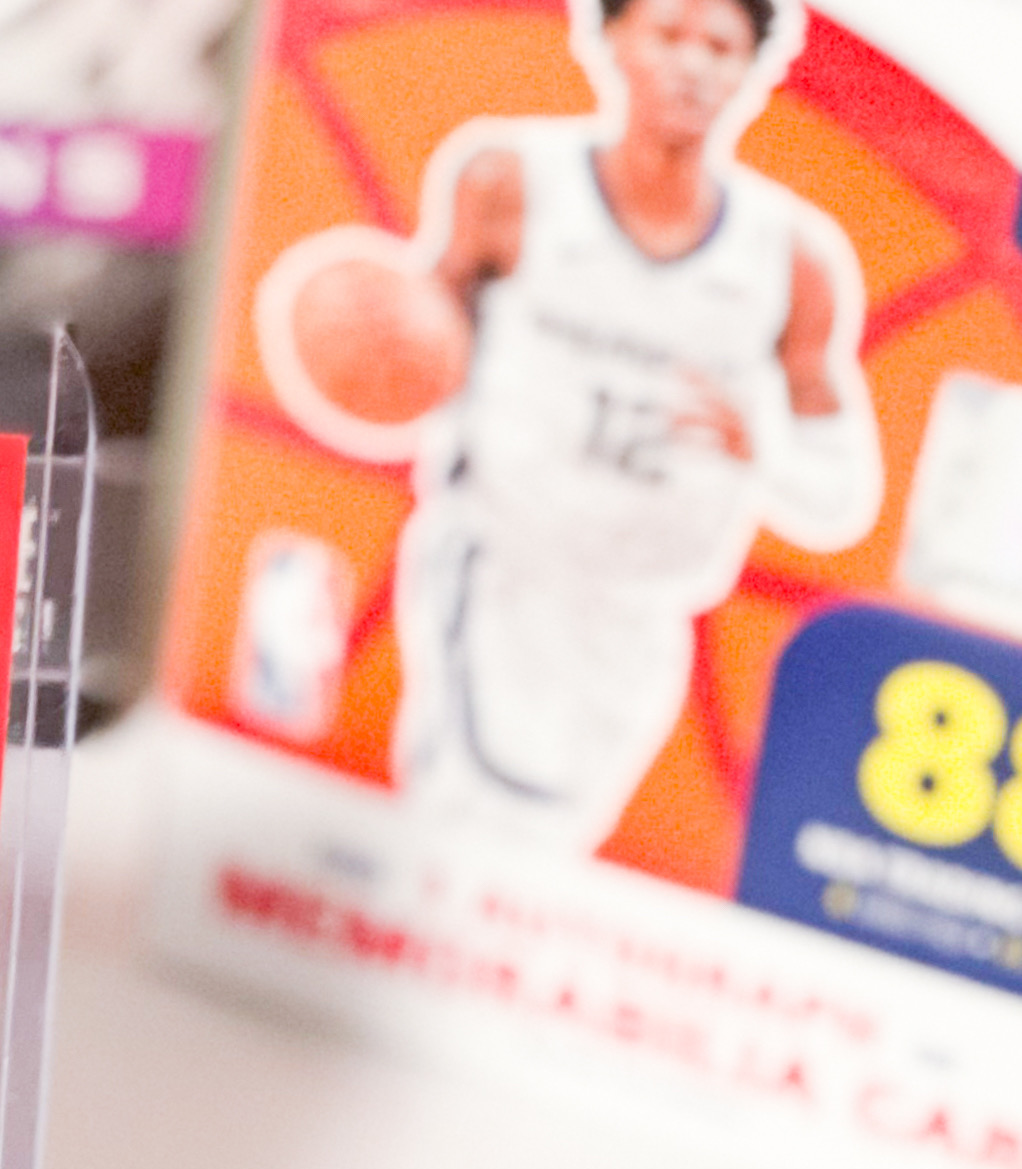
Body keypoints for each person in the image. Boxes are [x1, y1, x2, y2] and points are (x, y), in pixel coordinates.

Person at [258, 0, 879, 851]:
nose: (692, 64)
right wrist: (369, 337)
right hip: (504, 570)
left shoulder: (793, 259)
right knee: (467, 821)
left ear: (752, 71)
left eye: (719, 46)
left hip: (643, 617)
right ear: (611, 38)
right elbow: (422, 351)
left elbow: (840, 498)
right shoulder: (510, 181)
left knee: (558, 848)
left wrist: (761, 449)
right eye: (669, 34)